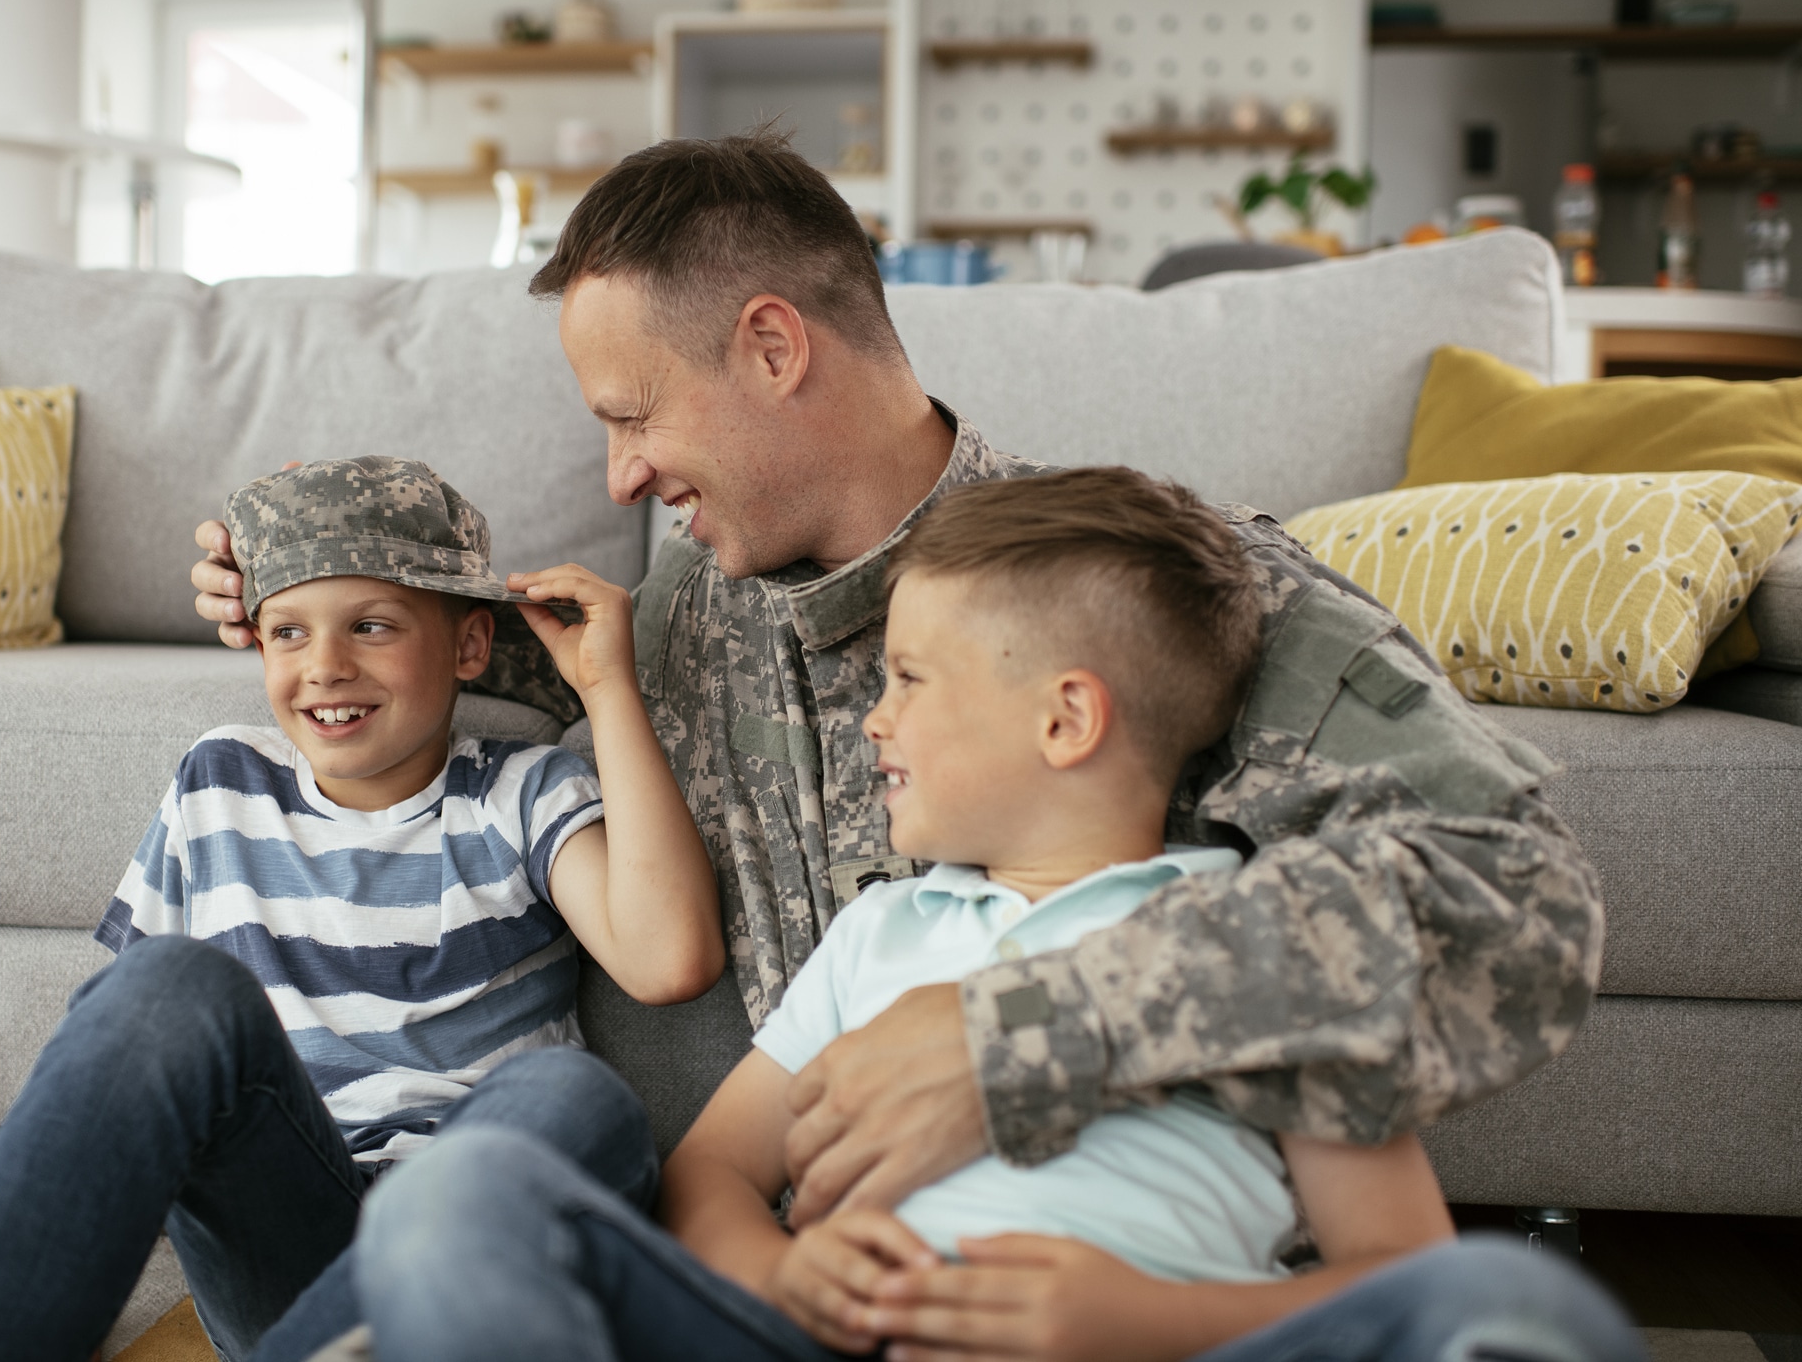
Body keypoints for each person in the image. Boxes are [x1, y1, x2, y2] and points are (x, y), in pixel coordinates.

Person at [190, 129, 1603, 1342]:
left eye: (631, 417)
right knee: (470, 1216)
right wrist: (301, 588)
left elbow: (1513, 893)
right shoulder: (691, 616)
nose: (617, 475)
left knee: (1526, 1318)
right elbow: (534, 666)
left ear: (771, 345)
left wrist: (1028, 1031)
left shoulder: (1130, 592)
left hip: (1136, 1301)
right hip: (804, 1299)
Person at [348, 468, 1641, 1362]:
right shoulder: (885, 935)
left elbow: (1396, 1268)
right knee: (455, 1199)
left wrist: (1141, 1319)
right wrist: (784, 1274)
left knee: (1512, 1294)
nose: (874, 716)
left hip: (1157, 1342)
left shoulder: (1257, 942)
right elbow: (713, 1174)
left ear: (1066, 718)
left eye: (907, 678)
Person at [0, 457, 722, 1362]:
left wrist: (608, 690)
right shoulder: (220, 777)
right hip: (286, 1231)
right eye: (287, 632)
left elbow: (668, 958)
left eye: (370, 626)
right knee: (158, 986)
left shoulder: (520, 793)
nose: (325, 666)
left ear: (469, 648)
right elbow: (137, 1054)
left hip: (474, 1219)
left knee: (571, 1095)